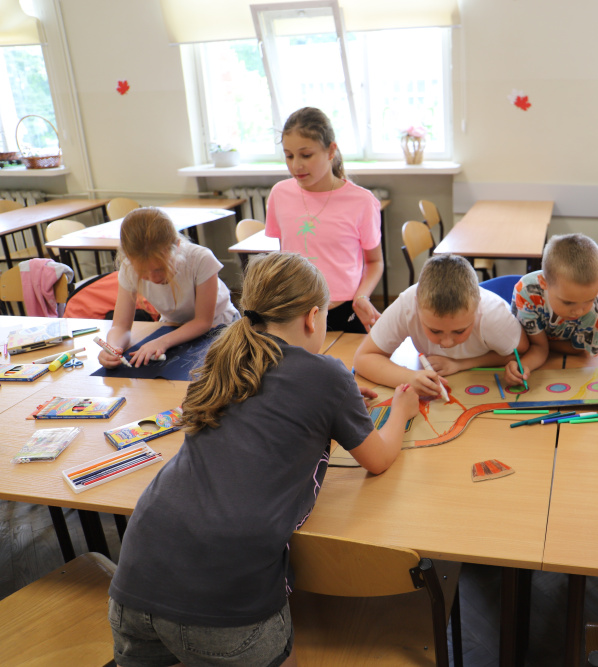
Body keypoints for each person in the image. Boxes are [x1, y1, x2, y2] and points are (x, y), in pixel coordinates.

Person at [108, 252, 419, 667]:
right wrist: (402, 410)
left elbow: (265, 415)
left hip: (135, 577)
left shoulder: (221, 358)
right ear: (313, 317)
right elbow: (377, 459)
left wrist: (335, 408)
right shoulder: (328, 374)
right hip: (224, 598)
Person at [265, 106, 383, 333]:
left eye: (306, 155)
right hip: (296, 314)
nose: (296, 165)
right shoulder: (279, 194)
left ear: (331, 151)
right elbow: (285, 254)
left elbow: (374, 262)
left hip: (345, 312)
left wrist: (362, 296)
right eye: (289, 156)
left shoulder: (362, 201)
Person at [354, 254, 528, 398]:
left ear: (478, 308)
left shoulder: (492, 315)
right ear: (416, 304)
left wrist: (461, 364)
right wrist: (409, 377)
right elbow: (363, 358)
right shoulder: (407, 304)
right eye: (435, 331)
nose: (446, 343)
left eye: (459, 331)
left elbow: (521, 352)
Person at [99, 207, 239, 368]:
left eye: (159, 269)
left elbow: (202, 322)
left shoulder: (201, 259)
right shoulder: (128, 268)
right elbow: (120, 326)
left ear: (177, 246)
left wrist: (162, 342)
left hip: (218, 326)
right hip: (172, 328)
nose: (154, 278)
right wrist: (113, 347)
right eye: (143, 272)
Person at [505, 233, 598, 387]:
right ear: (544, 282)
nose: (579, 311)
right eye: (568, 302)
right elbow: (539, 349)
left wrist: (539, 343)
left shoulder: (594, 310)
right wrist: (522, 367)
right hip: (546, 349)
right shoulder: (527, 293)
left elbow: (578, 350)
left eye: (589, 299)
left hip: (584, 350)